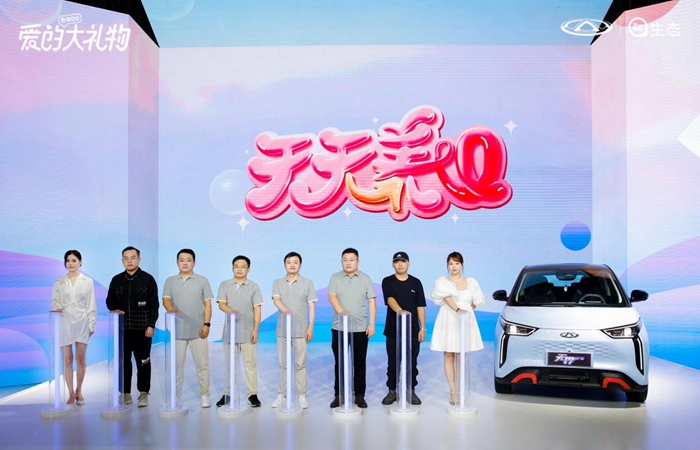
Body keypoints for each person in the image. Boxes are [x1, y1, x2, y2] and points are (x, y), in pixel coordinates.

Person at [105, 246, 159, 407]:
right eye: (126, 258)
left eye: (132, 257)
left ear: (139, 259)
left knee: (143, 362)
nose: (129, 261)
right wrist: (114, 308)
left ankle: (143, 393)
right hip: (122, 329)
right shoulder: (116, 280)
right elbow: (109, 300)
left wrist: (151, 325)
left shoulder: (148, 279)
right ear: (122, 260)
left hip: (143, 329)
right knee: (123, 362)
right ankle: (125, 393)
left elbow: (154, 305)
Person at [429, 251, 484, 405]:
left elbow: (475, 302)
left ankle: (461, 388)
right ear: (447, 265)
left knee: (461, 355)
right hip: (449, 318)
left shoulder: (471, 282)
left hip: (465, 320)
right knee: (449, 355)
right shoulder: (442, 282)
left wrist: (467, 313)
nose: (454, 266)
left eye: (457, 263)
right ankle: (453, 391)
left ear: (462, 265)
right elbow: (447, 299)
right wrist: (458, 310)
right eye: (451, 263)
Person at [162, 249, 213, 408]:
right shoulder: (170, 281)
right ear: (177, 263)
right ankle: (175, 397)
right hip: (177, 331)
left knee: (202, 365)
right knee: (176, 367)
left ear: (194, 263)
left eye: (188, 260)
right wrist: (171, 309)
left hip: (198, 331)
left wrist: (207, 324)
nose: (185, 263)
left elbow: (208, 304)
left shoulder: (202, 280)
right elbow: (166, 300)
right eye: (182, 260)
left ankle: (204, 395)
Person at [328, 247, 376, 409]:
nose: (348, 263)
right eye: (345, 260)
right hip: (340, 327)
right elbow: (332, 296)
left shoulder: (365, 278)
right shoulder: (335, 277)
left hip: (360, 328)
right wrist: (341, 312)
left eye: (351, 260)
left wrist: (371, 323)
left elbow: (371, 301)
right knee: (339, 363)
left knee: (359, 363)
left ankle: (359, 395)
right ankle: (339, 395)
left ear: (358, 262)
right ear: (341, 262)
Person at [215, 255, 264, 408]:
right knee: (231, 365)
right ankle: (228, 394)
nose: (239, 269)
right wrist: (231, 311)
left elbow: (257, 309)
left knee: (250, 364)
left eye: (243, 266)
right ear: (232, 269)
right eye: (236, 266)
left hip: (248, 331)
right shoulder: (224, 285)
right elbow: (221, 304)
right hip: (230, 332)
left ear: (248, 269)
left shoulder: (254, 287)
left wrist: (255, 329)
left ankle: (252, 394)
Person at [271, 252, 318, 409]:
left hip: (300, 331)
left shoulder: (307, 283)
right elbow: (276, 299)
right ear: (285, 265)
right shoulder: (278, 282)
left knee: (300, 364)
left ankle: (301, 395)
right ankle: (281, 394)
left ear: (300, 265)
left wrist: (310, 326)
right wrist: (286, 310)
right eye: (289, 262)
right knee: (282, 364)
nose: (292, 265)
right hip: (283, 331)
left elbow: (311, 306)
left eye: (295, 262)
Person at [50, 250, 97, 406]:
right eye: (68, 260)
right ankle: (70, 392)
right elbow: (55, 302)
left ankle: (79, 390)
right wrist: (57, 309)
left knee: (80, 358)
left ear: (80, 262)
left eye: (74, 260)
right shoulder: (59, 282)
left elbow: (91, 303)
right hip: (64, 323)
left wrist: (91, 323)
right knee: (67, 359)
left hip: (82, 322)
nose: (70, 263)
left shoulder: (87, 281)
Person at [380, 252, 427, 406]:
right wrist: (400, 312)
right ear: (393, 264)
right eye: (397, 262)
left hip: (412, 331)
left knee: (412, 362)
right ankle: (392, 390)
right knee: (393, 362)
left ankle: (410, 390)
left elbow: (420, 306)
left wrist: (422, 328)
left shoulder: (416, 282)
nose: (400, 264)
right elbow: (390, 299)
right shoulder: (388, 281)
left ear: (408, 264)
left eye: (403, 261)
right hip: (393, 330)